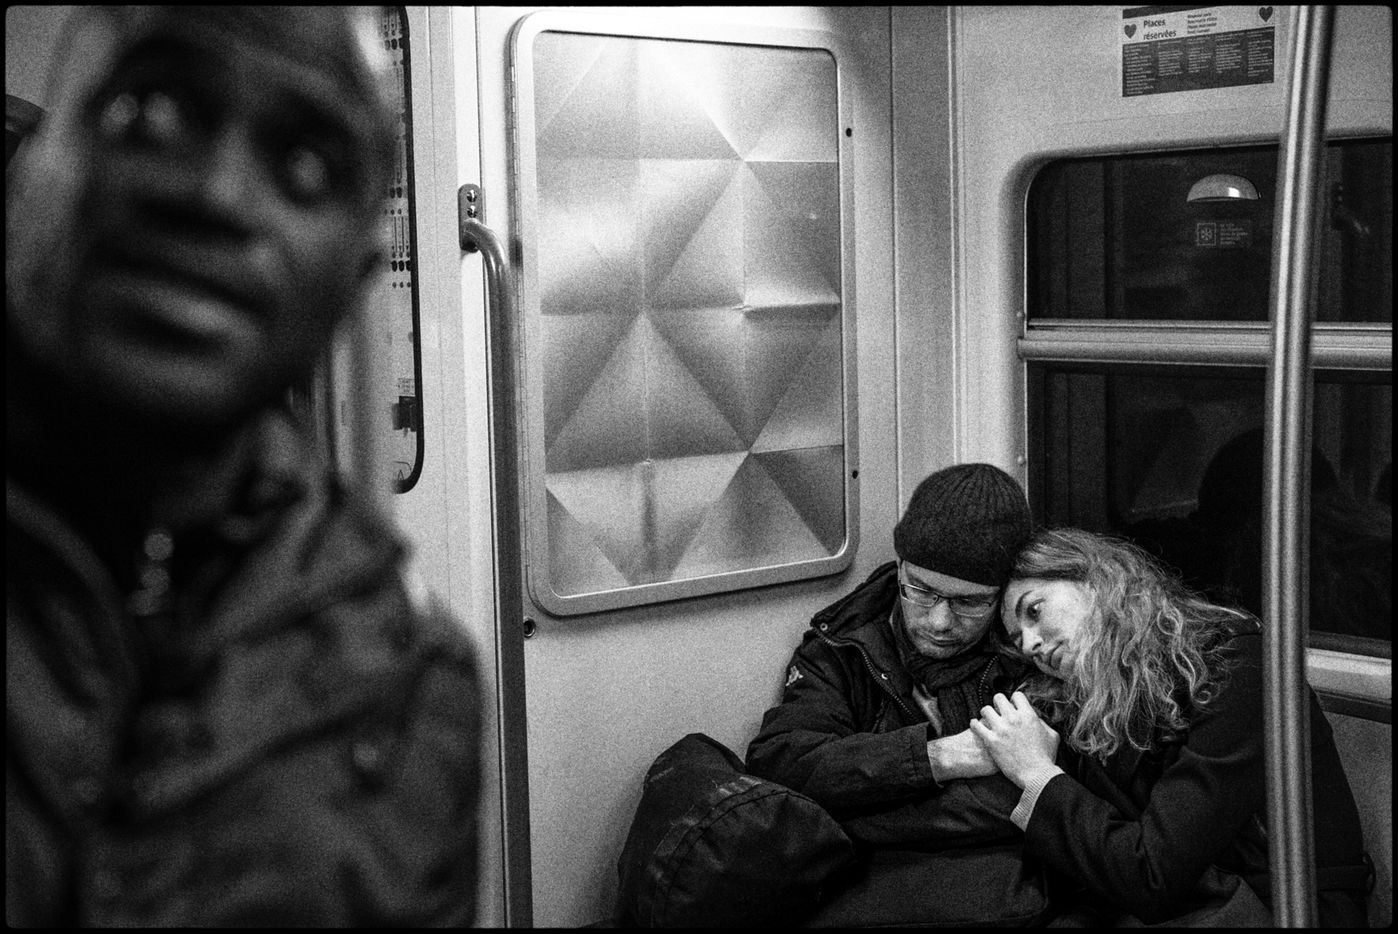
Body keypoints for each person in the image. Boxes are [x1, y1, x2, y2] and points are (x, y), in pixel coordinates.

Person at [7, 7, 481, 926]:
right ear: (33, 167)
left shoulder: (411, 696)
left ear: (353, 280)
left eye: (306, 167)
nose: (218, 195)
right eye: (152, 112)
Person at [975, 527, 1371, 926]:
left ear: (1094, 579)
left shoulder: (1237, 667)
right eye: (1018, 640)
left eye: (1034, 611)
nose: (1030, 644)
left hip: (1282, 904)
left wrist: (1036, 773)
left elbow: (1152, 875)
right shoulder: (1092, 699)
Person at [746, 463, 1035, 854]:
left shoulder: (1028, 653)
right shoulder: (842, 646)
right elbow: (783, 763)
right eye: (921, 590)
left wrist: (848, 821)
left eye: (969, 602)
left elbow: (1026, 802)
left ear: (1003, 596)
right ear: (899, 568)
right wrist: (938, 757)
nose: (939, 622)